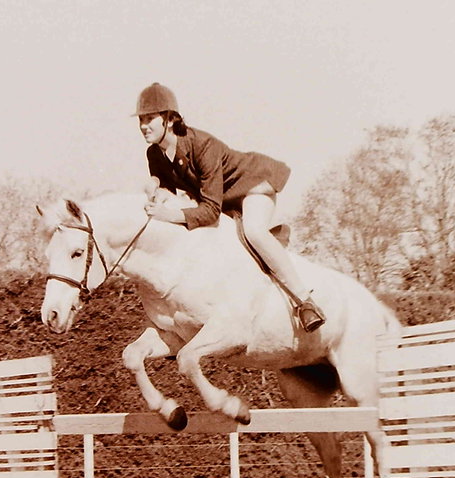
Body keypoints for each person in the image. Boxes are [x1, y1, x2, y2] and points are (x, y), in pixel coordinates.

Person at [133, 82, 325, 332]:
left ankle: (305, 302)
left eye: (150, 119)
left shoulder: (203, 145)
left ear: (169, 119)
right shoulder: (154, 154)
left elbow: (210, 211)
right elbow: (168, 189)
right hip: (220, 200)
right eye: (141, 120)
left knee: (253, 231)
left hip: (251, 186)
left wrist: (169, 213)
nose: (143, 126)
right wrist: (156, 188)